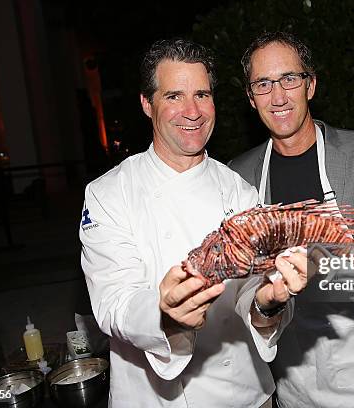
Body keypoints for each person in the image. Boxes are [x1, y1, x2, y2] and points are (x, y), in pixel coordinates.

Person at [79, 38, 308, 408]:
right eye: (173, 96)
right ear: (146, 104)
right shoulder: (108, 193)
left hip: (245, 395)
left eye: (202, 94)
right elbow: (114, 302)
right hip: (154, 398)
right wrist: (165, 313)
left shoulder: (239, 192)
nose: (193, 111)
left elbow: (257, 294)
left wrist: (268, 302)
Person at [229, 32, 354, 408]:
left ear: (310, 85)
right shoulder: (240, 176)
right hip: (293, 365)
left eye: (290, 78)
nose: (278, 95)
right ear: (251, 98)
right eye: (263, 84)